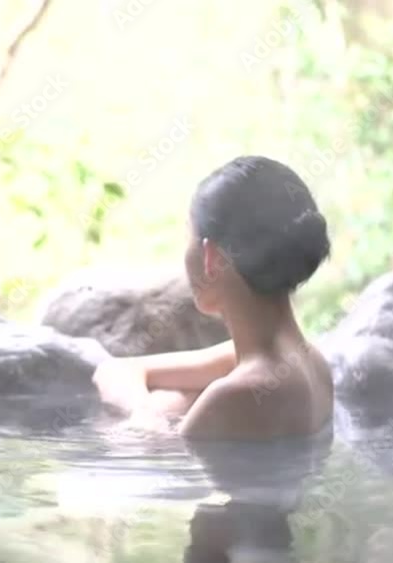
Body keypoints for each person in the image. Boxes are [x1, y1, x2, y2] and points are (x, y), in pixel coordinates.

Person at [92, 155, 334, 440]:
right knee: (173, 398)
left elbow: (148, 457)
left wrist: (150, 418)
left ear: (211, 258)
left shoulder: (234, 394)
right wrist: (146, 410)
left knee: (168, 403)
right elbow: (117, 369)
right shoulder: (311, 361)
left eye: (188, 236)